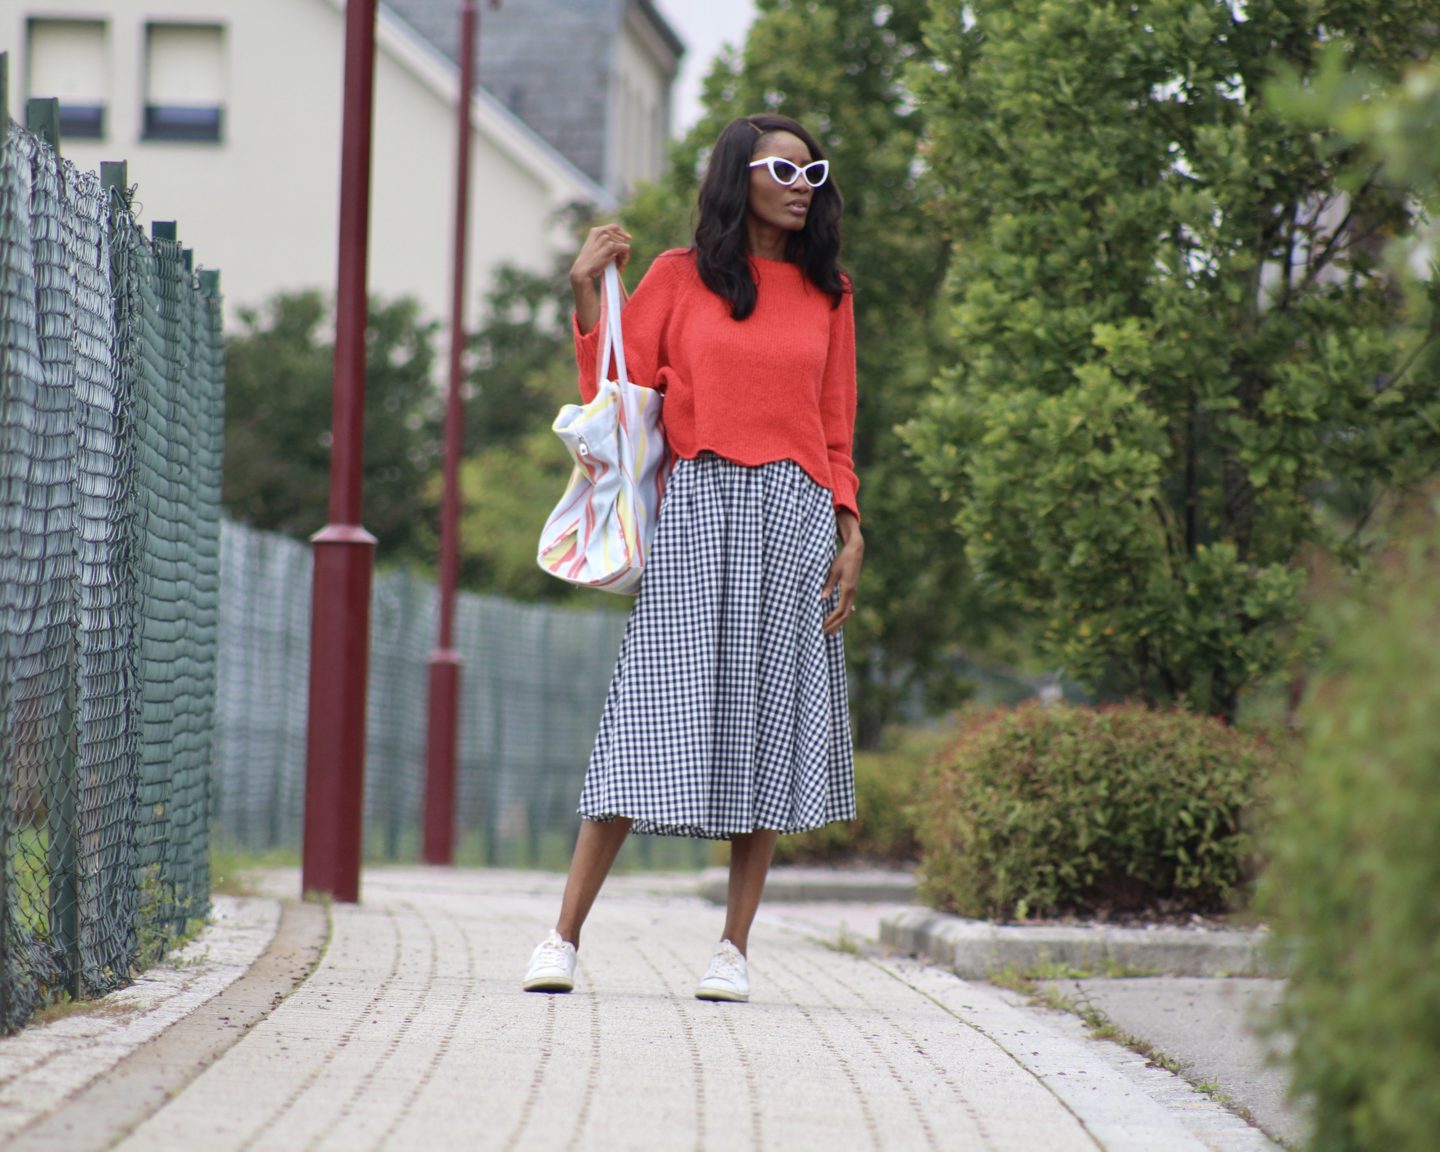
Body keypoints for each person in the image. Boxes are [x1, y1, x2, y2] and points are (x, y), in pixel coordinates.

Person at [523, 113, 863, 1003]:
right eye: (785, 169)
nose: (802, 185)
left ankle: (733, 949)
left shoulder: (831, 293)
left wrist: (851, 527)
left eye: (813, 172)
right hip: (696, 508)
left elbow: (836, 428)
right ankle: (562, 937)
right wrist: (589, 292)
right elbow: (611, 392)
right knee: (648, 708)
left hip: (795, 518)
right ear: (737, 175)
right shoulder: (678, 277)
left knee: (767, 721)